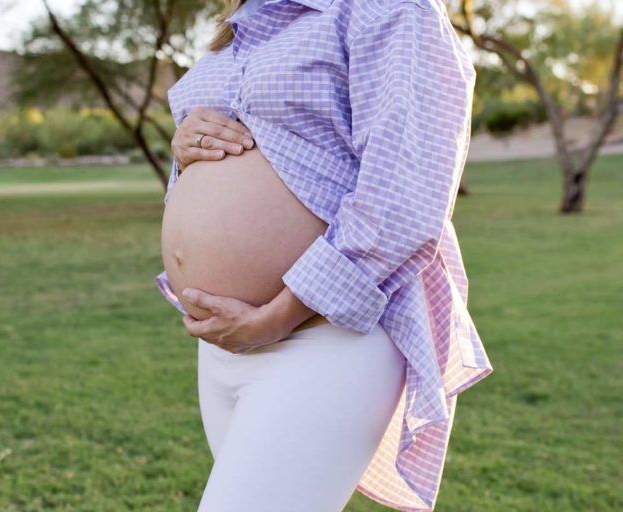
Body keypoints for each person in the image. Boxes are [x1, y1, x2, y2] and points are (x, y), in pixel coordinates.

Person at [154, 0, 494, 510]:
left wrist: (281, 313)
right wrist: (188, 149)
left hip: (322, 335)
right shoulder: (242, 28)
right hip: (225, 346)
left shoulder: (390, 9)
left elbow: (405, 191)